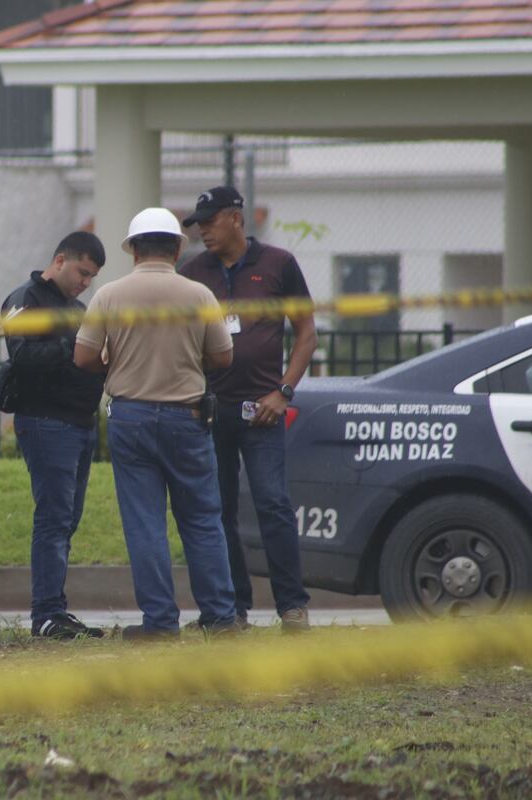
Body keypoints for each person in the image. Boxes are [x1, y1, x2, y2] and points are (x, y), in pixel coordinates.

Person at [74, 208, 238, 639]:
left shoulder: (109, 295)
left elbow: (83, 357)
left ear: (132, 251)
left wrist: (114, 363)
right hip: (187, 416)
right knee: (203, 519)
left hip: (131, 417)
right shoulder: (199, 295)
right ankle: (221, 617)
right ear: (178, 248)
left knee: (146, 523)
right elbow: (223, 357)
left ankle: (160, 622)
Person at [178, 186, 318, 633]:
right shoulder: (193, 271)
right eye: (197, 223)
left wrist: (283, 393)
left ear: (235, 218)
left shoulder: (278, 264)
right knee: (216, 510)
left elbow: (307, 333)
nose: (202, 230)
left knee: (273, 504)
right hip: (210, 410)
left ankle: (292, 606)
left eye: (209, 220)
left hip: (263, 412)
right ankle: (231, 609)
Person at [1, 231, 107, 640]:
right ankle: (46, 613)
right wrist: (76, 347)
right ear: (60, 260)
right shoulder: (24, 300)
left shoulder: (79, 308)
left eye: (92, 277)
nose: (85, 282)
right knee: (54, 519)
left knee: (67, 520)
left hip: (79, 422)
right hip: (46, 421)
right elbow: (23, 356)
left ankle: (54, 608)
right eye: (82, 272)